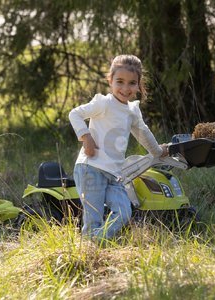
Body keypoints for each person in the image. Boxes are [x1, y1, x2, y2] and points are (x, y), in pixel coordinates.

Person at [69, 54, 168, 242]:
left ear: (139, 85)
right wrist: (86, 137)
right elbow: (75, 114)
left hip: (114, 174)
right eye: (120, 81)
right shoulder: (104, 103)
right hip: (91, 169)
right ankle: (91, 247)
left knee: (123, 212)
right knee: (94, 218)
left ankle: (93, 241)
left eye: (132, 83)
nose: (125, 88)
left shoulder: (132, 111)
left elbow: (143, 133)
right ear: (110, 81)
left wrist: (158, 152)